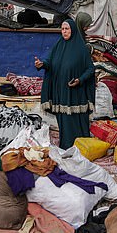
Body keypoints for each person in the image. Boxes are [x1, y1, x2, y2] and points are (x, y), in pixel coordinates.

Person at [35, 19, 95, 148]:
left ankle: (81, 146)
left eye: (66, 29)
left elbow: (90, 69)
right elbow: (49, 61)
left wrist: (80, 79)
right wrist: (42, 64)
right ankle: (66, 145)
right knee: (63, 120)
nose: (64, 31)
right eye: (62, 29)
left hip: (76, 92)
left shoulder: (81, 48)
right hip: (61, 91)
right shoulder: (58, 46)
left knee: (76, 119)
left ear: (72, 30)